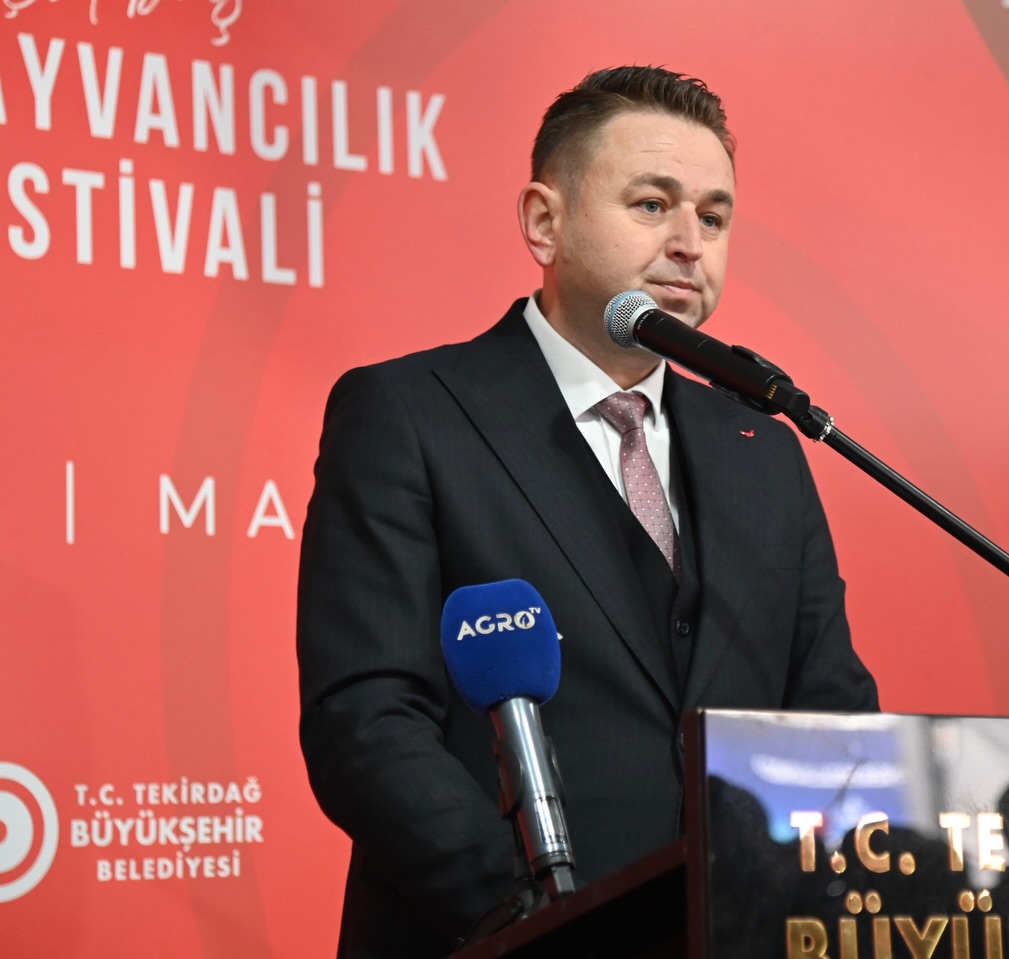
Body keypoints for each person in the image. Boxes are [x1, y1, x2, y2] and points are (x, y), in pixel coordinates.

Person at [297, 65, 878, 957]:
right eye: (652, 204)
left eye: (714, 217)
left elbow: (829, 715)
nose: (689, 243)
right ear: (545, 221)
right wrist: (543, 920)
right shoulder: (409, 414)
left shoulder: (762, 447)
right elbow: (365, 723)